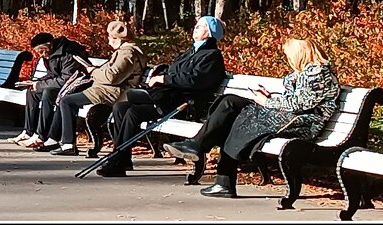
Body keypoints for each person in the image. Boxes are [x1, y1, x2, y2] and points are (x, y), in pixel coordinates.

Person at [163, 37, 340, 198]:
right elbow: (295, 102)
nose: (288, 60)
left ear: (300, 54)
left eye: (289, 56)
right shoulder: (306, 73)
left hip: (303, 124)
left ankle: (216, 170)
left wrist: (265, 102)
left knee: (239, 117)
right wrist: (269, 98)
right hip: (290, 116)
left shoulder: (317, 74)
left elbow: (299, 105)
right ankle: (199, 148)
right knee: (229, 102)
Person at [96, 15, 227, 177]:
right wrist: (162, 76)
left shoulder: (211, 56)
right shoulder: (191, 51)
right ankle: (122, 159)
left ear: (208, 32)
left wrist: (164, 79)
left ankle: (117, 161)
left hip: (185, 105)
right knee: (120, 106)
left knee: (133, 112)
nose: (195, 29)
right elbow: (174, 71)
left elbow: (194, 81)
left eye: (199, 26)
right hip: (168, 99)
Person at [48, 20, 146, 157]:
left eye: (109, 37)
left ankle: (68, 144)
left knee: (67, 101)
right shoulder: (125, 51)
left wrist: (93, 71)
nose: (108, 40)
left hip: (111, 92)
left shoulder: (127, 53)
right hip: (106, 90)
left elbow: (112, 77)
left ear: (117, 39)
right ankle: (63, 141)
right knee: (66, 98)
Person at [7, 32, 90, 150]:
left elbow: (67, 78)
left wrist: (40, 85)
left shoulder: (69, 52)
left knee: (48, 93)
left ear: (49, 44)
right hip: (62, 84)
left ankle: (40, 136)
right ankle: (28, 131)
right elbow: (53, 74)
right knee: (32, 92)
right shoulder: (50, 53)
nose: (41, 55)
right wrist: (34, 82)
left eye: (41, 51)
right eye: (38, 52)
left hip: (74, 85)